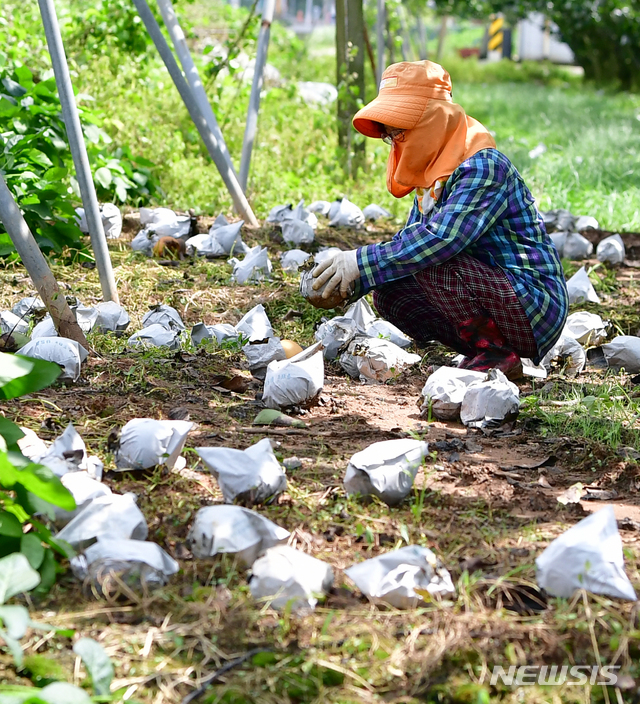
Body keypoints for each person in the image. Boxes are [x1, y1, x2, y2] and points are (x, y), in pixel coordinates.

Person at [311, 60, 568, 378]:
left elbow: (440, 241)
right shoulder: (432, 178)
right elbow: (407, 245)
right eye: (390, 137)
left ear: (432, 121)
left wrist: (360, 262)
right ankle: (485, 351)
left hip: (534, 305)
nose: (396, 145)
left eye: (400, 133)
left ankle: (497, 353)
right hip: (495, 294)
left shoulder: (483, 167)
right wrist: (350, 282)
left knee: (430, 258)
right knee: (391, 291)